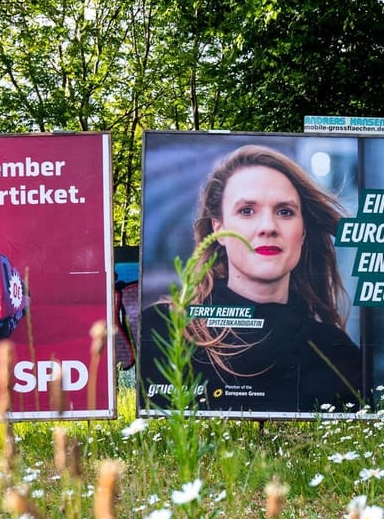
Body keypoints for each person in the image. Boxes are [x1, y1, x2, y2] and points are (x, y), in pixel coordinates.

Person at [141, 144, 363, 413]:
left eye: (285, 212)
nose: (268, 227)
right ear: (219, 229)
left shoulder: (335, 354)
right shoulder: (164, 329)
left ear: (303, 231)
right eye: (247, 211)